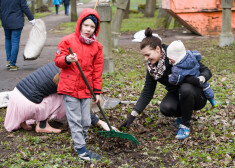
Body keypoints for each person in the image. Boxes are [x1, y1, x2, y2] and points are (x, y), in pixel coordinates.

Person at [119, 27, 212, 140]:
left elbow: (206, 71)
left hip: (196, 94)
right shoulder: (153, 68)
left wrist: (199, 80)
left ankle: (185, 124)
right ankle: (182, 114)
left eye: (148, 55)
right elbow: (147, 93)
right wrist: (131, 117)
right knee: (166, 108)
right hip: (177, 94)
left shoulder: (174, 54)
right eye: (144, 56)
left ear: (158, 49)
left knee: (186, 88)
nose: (146, 59)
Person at [4, 62, 117, 134]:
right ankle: (42, 125)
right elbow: (78, 108)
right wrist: (101, 123)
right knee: (62, 99)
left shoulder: (63, 63)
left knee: (48, 91)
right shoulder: (69, 80)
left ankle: (23, 121)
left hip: (16, 97)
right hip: (27, 103)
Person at [54, 8, 103, 161]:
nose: (88, 29)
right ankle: (81, 149)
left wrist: (97, 91)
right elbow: (58, 60)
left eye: (92, 27)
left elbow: (97, 71)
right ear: (80, 24)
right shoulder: (67, 41)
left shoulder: (97, 47)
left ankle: (80, 142)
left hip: (86, 88)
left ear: (96, 28)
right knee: (75, 120)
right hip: (69, 87)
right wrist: (67, 59)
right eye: (86, 25)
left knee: (86, 121)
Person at [167, 40, 217, 107]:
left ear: (176, 58)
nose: (169, 61)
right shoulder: (192, 55)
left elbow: (175, 80)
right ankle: (212, 100)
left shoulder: (177, 69)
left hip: (189, 85)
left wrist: (170, 77)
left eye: (170, 59)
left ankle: (183, 108)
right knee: (206, 87)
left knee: (182, 93)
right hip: (198, 77)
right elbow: (198, 55)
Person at [0, 0, 35, 71]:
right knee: (15, 41)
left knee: (7, 39)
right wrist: (31, 18)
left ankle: (9, 60)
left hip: (5, 20)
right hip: (16, 21)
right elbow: (24, 7)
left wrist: (2, 18)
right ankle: (12, 64)